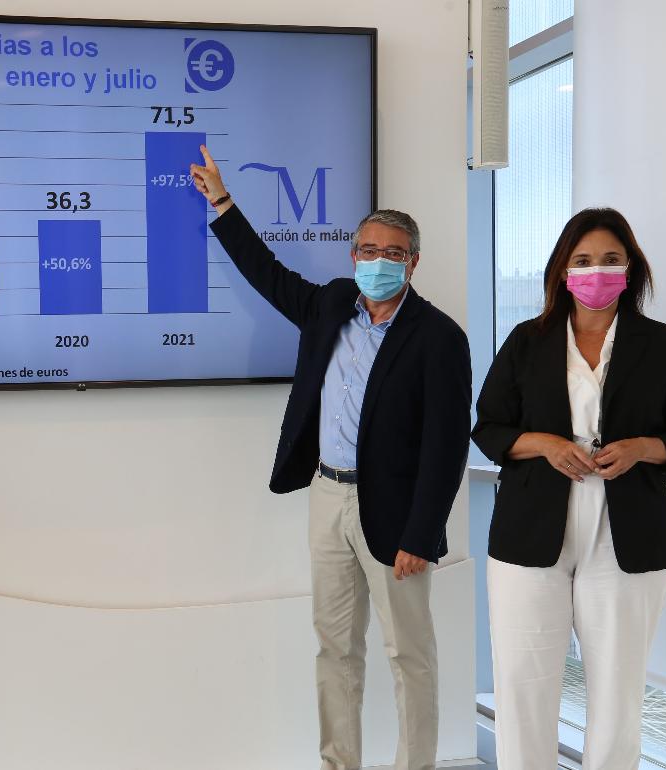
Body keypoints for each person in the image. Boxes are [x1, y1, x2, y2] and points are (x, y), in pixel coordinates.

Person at [191, 146, 471, 770]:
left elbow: (447, 446)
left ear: (413, 262)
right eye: (368, 250)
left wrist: (422, 535)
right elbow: (268, 275)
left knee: (408, 654)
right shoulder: (331, 306)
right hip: (327, 496)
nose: (378, 261)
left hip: (395, 511)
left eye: (392, 253)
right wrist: (223, 202)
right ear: (353, 256)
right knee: (335, 647)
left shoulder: (439, 338)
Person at [472, 208, 666, 769]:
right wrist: (544, 444)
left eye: (610, 259)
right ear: (563, 271)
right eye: (582, 260)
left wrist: (641, 448)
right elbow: (489, 427)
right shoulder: (527, 341)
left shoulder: (661, 343)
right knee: (522, 682)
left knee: (616, 689)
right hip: (530, 529)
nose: (595, 271)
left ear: (630, 269)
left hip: (627, 530)